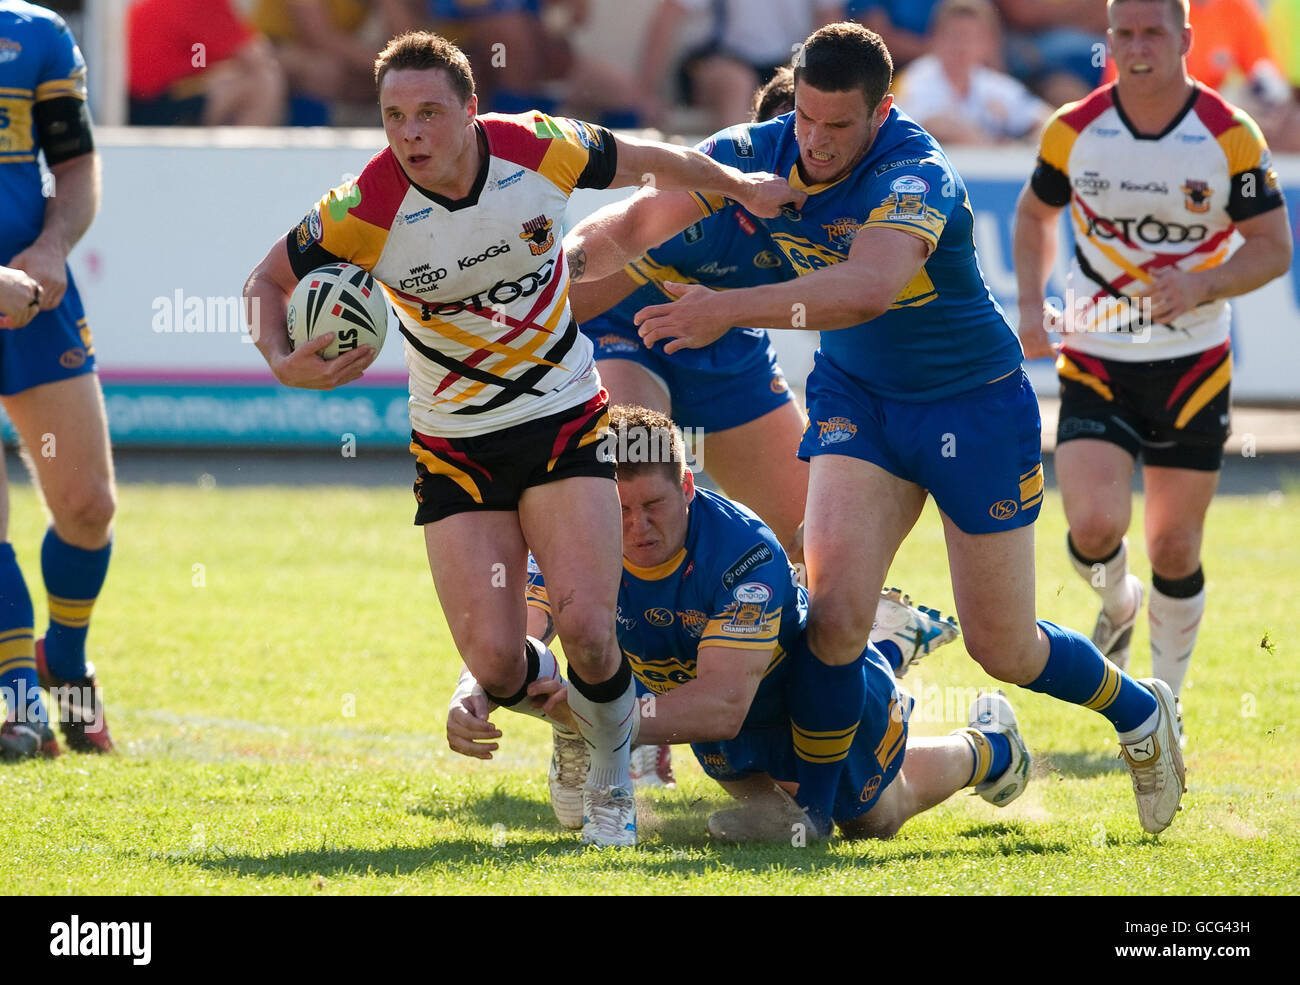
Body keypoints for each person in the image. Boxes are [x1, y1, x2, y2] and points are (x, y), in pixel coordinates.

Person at [567, 21, 1188, 835]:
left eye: (838, 127)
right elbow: (633, 223)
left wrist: (725, 306)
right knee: (833, 612)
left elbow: (865, 288)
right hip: (858, 400)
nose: (816, 143)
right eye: (806, 121)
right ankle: (815, 819)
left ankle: (1141, 709)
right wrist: (565, 263)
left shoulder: (916, 171)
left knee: (1004, 645)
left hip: (974, 405)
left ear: (881, 111)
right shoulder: (751, 149)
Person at [242, 30, 800, 847]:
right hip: (454, 446)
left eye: (430, 113)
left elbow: (652, 158)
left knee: (586, 626)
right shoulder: (364, 207)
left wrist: (738, 184)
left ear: (471, 111)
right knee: (499, 664)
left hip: (563, 416)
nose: (412, 135)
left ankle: (612, 783)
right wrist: (282, 362)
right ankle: (575, 719)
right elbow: (266, 282)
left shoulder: (536, 148)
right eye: (395, 117)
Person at [447, 405, 1026, 842]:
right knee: (771, 826)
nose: (638, 527)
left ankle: (988, 748)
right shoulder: (578, 535)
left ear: (688, 487)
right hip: (703, 717)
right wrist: (475, 687)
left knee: (869, 820)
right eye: (619, 510)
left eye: (654, 506)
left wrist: (590, 719)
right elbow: (520, 635)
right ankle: (893, 638)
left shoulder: (742, 554)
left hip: (794, 701)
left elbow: (722, 706)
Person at [1013, 0, 1291, 711]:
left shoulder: (1229, 135)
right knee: (1094, 526)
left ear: (1185, 39)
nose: (1138, 47)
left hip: (1192, 365)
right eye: (1124, 32)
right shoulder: (1072, 128)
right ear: (1107, 41)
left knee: (1174, 547)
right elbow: (1033, 213)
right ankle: (1119, 599)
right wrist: (1029, 306)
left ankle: (1163, 699)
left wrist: (1203, 282)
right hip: (1096, 356)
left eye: (1153, 32)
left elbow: (1273, 248)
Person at [1, 1, 116, 759]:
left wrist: (50, 248)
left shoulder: (36, 34)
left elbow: (75, 169)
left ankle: (63, 663)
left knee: (87, 505)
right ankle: (18, 701)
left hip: (34, 293)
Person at [893, 0, 1051, 145]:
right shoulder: (916, 77)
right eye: (954, 35)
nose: (961, 46)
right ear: (935, 38)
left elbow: (1046, 119)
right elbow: (934, 124)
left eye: (970, 37)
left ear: (988, 44)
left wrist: (1025, 144)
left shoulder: (990, 83)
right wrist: (993, 146)